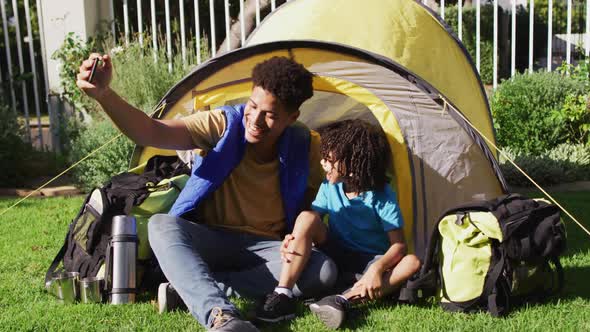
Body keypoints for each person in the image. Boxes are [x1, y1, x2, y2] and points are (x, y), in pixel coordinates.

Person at [77, 55, 337, 331]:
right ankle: (220, 314)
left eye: (270, 115)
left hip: (267, 248)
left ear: (292, 117)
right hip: (210, 241)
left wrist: (299, 236)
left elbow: (314, 208)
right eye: (252, 106)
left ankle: (189, 288)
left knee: (323, 270)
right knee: (162, 225)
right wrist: (104, 95)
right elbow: (151, 132)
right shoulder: (223, 124)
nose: (256, 120)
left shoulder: (306, 145)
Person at [255, 120, 421, 329]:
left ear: (353, 164)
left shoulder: (381, 195)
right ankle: (283, 294)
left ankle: (343, 301)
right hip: (336, 252)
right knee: (306, 217)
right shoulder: (329, 186)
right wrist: (293, 236)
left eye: (328, 159)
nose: (323, 164)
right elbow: (311, 221)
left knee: (412, 262)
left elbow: (399, 246)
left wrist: (377, 269)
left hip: (369, 262)